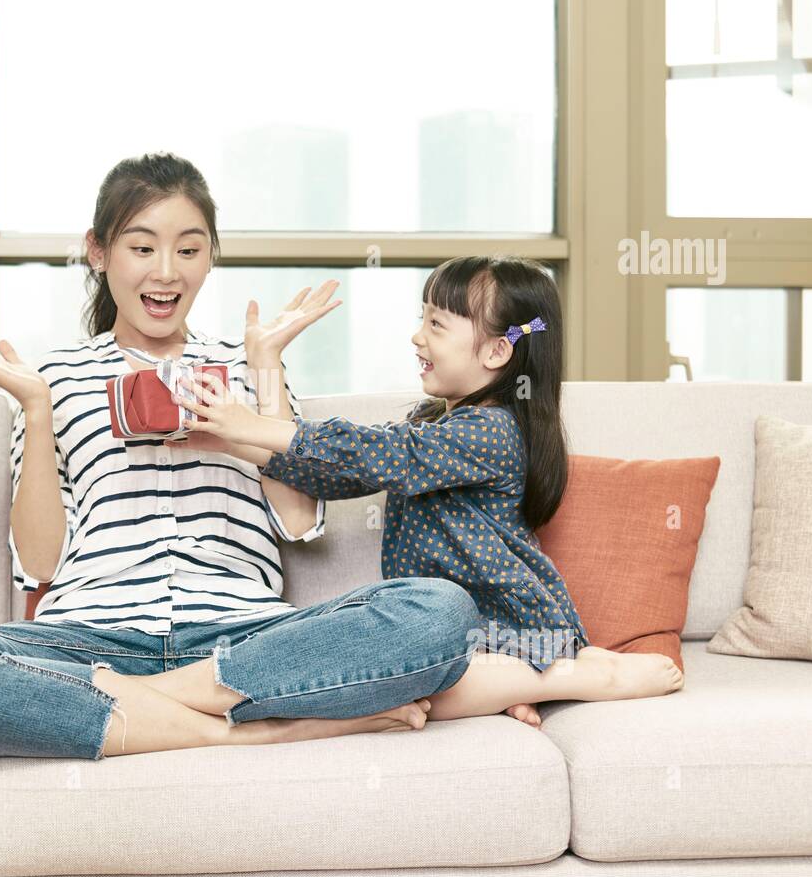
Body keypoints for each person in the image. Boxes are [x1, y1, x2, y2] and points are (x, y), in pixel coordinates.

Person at [0, 152, 485, 760]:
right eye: (142, 249)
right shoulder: (52, 377)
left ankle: (141, 704)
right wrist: (39, 414)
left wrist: (262, 379)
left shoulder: (248, 364)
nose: (166, 272)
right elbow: (40, 564)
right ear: (99, 252)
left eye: (189, 250)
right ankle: (256, 726)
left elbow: (300, 524)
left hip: (244, 637)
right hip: (93, 636)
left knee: (442, 612)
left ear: (210, 256)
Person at [170, 253, 685, 730]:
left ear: (497, 350)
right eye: (423, 319)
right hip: (456, 631)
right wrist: (238, 421)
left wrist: (247, 425)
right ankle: (518, 685)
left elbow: (383, 453)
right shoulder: (433, 423)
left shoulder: (491, 431)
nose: (418, 337)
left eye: (436, 324)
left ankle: (579, 675)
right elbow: (322, 473)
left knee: (420, 697)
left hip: (509, 625)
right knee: (405, 677)